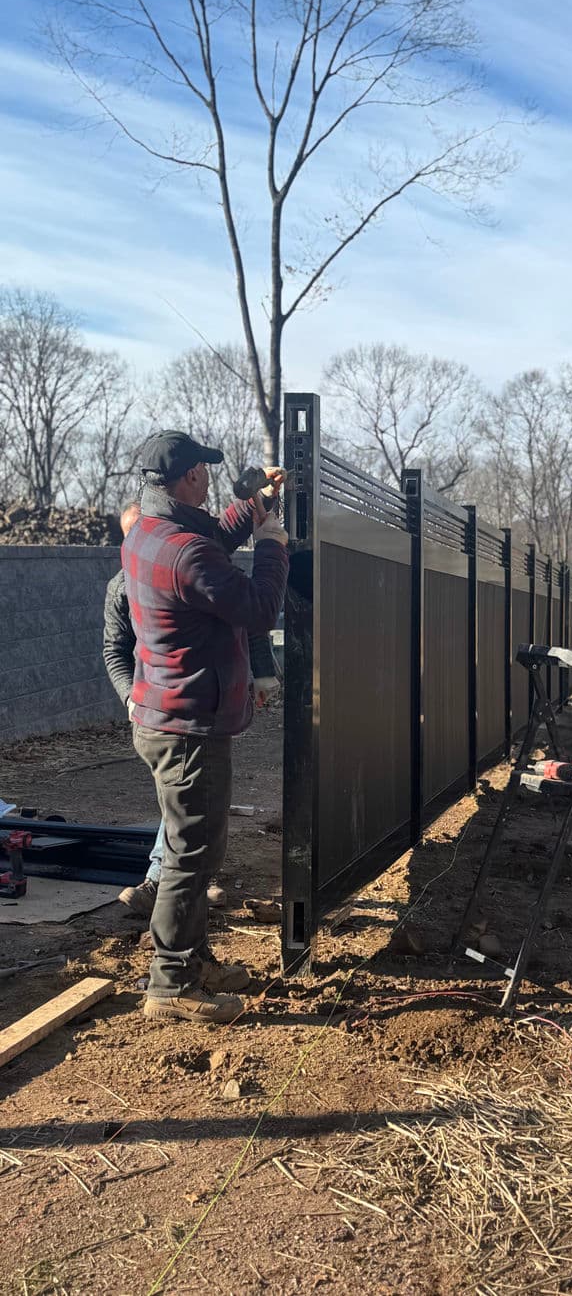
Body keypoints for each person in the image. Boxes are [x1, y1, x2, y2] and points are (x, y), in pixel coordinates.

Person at [123, 431, 288, 1025]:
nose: (212, 477)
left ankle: (192, 959)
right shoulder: (185, 552)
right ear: (190, 476)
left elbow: (209, 539)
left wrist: (254, 506)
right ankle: (170, 986)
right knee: (191, 855)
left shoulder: (150, 531)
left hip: (167, 715)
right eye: (206, 469)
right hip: (188, 725)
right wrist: (271, 544)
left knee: (194, 846)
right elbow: (258, 609)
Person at [104, 500, 278, 917]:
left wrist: (263, 670)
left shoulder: (184, 559)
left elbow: (238, 617)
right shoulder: (123, 586)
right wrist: (130, 696)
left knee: (188, 804)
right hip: (166, 708)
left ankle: (170, 888)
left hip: (198, 704)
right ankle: (171, 919)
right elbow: (115, 650)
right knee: (186, 805)